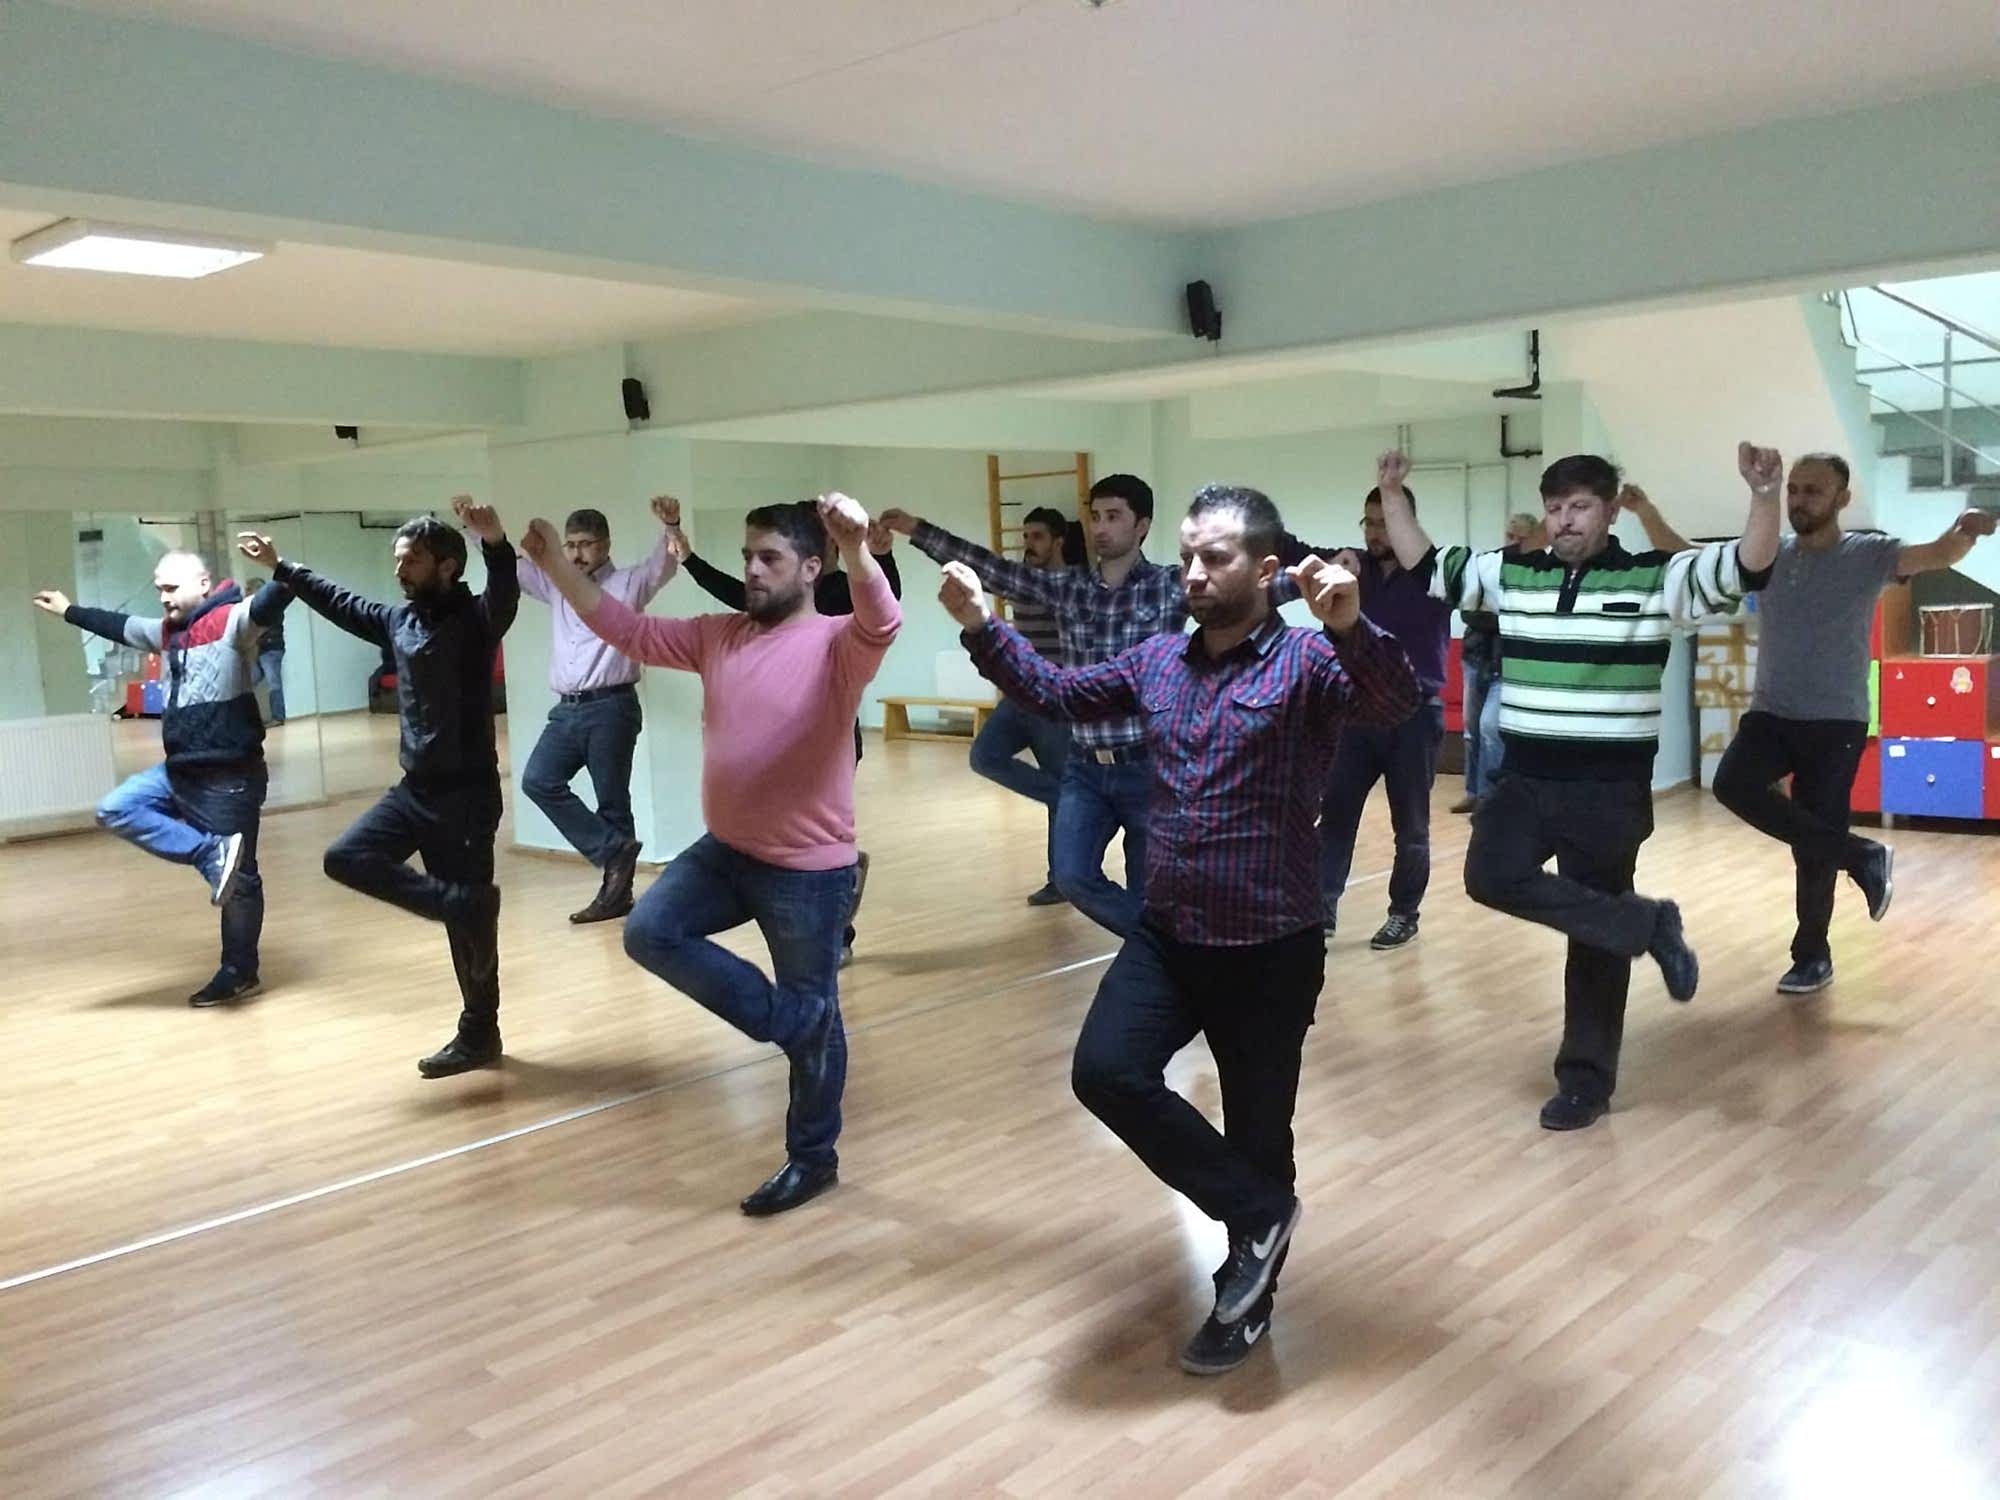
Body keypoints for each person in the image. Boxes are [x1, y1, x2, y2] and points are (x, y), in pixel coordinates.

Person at [938, 484, 1419, 1376]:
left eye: (1216, 558)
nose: (1194, 573)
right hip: (1169, 933)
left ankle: (1247, 1302)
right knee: (1105, 1072)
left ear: (1266, 570)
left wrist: (1353, 627)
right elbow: (1057, 692)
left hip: (1270, 945)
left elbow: (1395, 702)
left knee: (1260, 1134)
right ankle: (1260, 1215)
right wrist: (979, 624)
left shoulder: (1309, 663)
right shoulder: (1160, 661)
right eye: (1190, 557)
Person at [1379, 445, 1782, 1131]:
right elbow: (1427, 564)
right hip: (1525, 779)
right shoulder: (1514, 573)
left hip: (1608, 787)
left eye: (1580, 507)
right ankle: (1645, 924)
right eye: (1556, 508)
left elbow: (1748, 566)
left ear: (1610, 510)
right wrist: (1392, 493)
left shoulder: (1655, 577)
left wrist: (1765, 496)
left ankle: (1585, 1084)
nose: (1565, 520)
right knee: (1489, 875)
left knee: (1592, 943)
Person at [521, 493, 899, 1216]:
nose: (752, 569)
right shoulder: (716, 635)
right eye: (748, 556)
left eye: (770, 558)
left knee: (818, 1018)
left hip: (808, 872)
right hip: (726, 851)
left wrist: (858, 549)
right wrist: (554, 568)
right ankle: (789, 1021)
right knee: (650, 930)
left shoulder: (838, 644)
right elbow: (626, 628)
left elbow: (882, 619)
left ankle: (812, 1159)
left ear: (810, 569)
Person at [1674, 455, 1993, 994]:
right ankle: (1862, 854)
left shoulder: (1867, 554)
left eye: (1813, 491)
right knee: (1732, 783)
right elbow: (1691, 557)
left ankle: (1812, 957)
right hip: (1772, 712)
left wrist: (1965, 530)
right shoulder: (1768, 553)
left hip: (1835, 722)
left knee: (1812, 844)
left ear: (1842, 499)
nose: (1799, 500)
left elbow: (1936, 554)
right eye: (1794, 490)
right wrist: (1646, 510)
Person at [240, 497, 518, 1078]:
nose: (399, 569)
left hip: (467, 798)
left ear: (446, 566)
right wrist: (283, 568)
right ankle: (455, 904)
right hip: (415, 791)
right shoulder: (398, 623)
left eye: (411, 560)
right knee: (347, 857)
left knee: (469, 930)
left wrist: (495, 543)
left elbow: (504, 594)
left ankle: (479, 1031)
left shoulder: (476, 621)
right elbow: (341, 603)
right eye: (397, 559)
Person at [881, 475, 1212, 938]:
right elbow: (994, 570)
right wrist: (918, 531)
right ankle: (1163, 945)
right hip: (1085, 766)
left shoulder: (1169, 586)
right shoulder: (1069, 587)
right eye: (1094, 516)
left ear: (1142, 526)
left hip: (1149, 767)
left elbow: (1246, 594)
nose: (1100, 527)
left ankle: (1157, 957)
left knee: (1150, 891)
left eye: (1113, 517)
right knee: (1072, 877)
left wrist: (1306, 586)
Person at [34, 553, 293, 1006]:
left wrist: (282, 568)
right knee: (115, 808)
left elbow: (273, 600)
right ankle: (208, 852)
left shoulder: (232, 622)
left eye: (171, 588)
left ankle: (239, 971)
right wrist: (69, 610)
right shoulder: (166, 633)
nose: (163, 597)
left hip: (228, 777)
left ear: (203, 583)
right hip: (178, 772)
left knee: (240, 880)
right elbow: (119, 626)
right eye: (159, 589)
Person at [679, 503, 903, 962]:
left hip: (829, 738)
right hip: (781, 742)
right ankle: (832, 894)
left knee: (813, 840)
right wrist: (688, 559)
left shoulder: (839, 588)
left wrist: (880, 557)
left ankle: (837, 929)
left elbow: (883, 605)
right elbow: (735, 592)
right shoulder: (779, 597)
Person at [1278, 485, 1451, 949]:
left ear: (1405, 522)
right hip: (1354, 714)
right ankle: (1319, 909)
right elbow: (1292, 551)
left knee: (1410, 826)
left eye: (1384, 523)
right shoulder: (1352, 567)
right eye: (1369, 523)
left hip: (1416, 716)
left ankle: (1404, 913)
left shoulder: (1435, 573)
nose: (1375, 533)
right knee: (1334, 814)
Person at [516, 495, 681, 924]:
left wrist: (672, 526)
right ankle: (613, 850)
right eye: (570, 545)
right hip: (566, 710)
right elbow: (514, 570)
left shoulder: (629, 583)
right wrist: (479, 533)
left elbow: (664, 565)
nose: (576, 554)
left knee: (613, 802)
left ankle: (616, 896)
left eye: (585, 544)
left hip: (612, 707)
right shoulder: (556, 583)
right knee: (538, 780)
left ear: (605, 545)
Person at [966, 504, 1073, 906]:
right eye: (1025, 536)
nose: (1029, 544)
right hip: (1020, 697)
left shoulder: (1071, 585)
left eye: (1038, 536)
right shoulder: (1021, 580)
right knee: (984, 756)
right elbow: (983, 570)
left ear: (1059, 541)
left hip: (1055, 702)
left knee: (1058, 786)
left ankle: (1060, 881)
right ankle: (1068, 796)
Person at [1453, 513, 1543, 813]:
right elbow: (1468, 611)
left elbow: (1523, 619)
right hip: (1475, 658)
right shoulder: (1490, 564)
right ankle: (1472, 792)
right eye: (1510, 536)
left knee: (1490, 728)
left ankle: (1489, 798)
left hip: (1508, 665)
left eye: (1521, 537)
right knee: (1471, 731)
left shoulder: (1539, 573)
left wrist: (1495, 612)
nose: (1514, 542)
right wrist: (1501, 614)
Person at [243, 578, 288, 726]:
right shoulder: (266, 606)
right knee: (248, 683)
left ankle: (278, 717)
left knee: (273, 683)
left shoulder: (270, 607)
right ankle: (249, 719)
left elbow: (264, 629)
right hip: (264, 650)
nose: (246, 593)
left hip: (271, 650)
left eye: (248, 590)